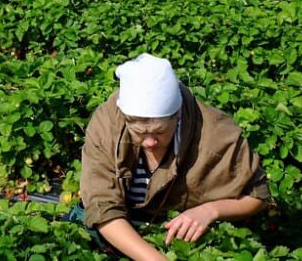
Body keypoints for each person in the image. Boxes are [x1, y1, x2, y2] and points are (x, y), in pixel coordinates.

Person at [79, 54, 270, 260]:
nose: (150, 142)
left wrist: (210, 211)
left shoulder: (217, 136)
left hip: (181, 239)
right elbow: (102, 206)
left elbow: (258, 196)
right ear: (125, 118)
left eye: (159, 132)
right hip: (120, 230)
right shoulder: (106, 126)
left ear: (177, 114)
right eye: (140, 133)